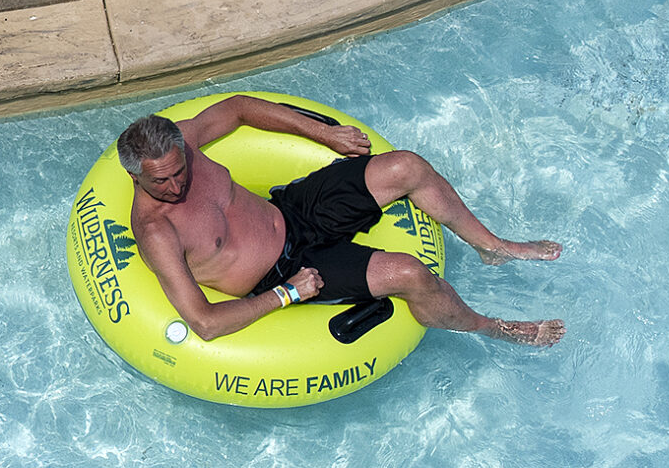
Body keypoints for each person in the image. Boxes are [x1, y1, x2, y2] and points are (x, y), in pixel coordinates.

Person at [118, 96, 565, 348]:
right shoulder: (157, 231)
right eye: (163, 181)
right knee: (411, 273)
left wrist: (323, 133)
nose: (178, 185)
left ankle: (493, 247)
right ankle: (491, 326)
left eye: (181, 170)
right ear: (134, 174)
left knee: (406, 166)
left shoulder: (183, 140)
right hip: (286, 274)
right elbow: (205, 323)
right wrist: (287, 292)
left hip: (291, 211)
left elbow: (236, 107)